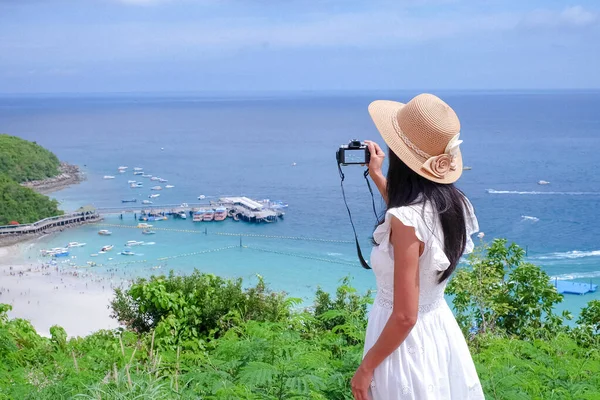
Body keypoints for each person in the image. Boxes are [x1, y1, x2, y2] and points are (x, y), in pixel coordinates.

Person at [351, 93, 484, 399]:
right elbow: (415, 225)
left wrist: (366, 368)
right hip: (438, 332)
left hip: (402, 344)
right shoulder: (454, 203)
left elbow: (404, 316)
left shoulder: (407, 220)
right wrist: (377, 177)